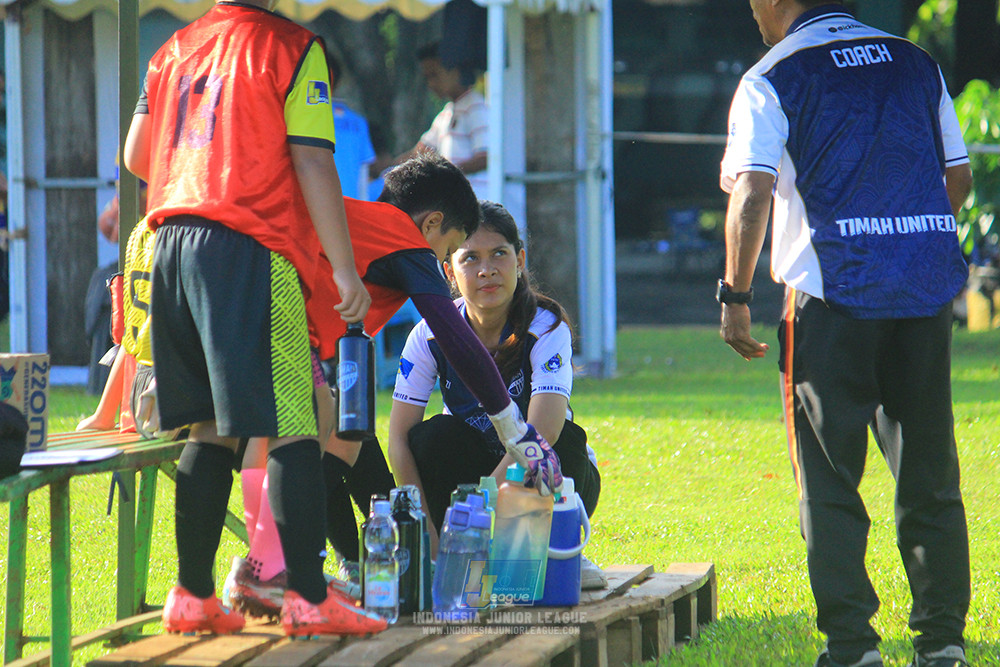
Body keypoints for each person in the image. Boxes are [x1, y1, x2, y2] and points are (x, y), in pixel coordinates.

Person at [718, 3, 973, 667]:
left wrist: (735, 296)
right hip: (922, 292)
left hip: (829, 298)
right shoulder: (914, 62)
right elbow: (958, 176)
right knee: (930, 470)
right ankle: (943, 641)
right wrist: (905, 244)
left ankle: (853, 646)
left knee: (829, 476)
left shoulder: (772, 74)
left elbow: (751, 191)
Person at [123, 0, 384, 637]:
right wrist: (344, 270)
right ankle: (307, 599)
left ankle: (191, 595)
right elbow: (313, 160)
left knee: (209, 427)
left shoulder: (173, 49)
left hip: (171, 245)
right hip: (250, 245)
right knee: (294, 423)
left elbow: (136, 155)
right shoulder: (293, 47)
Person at [225, 153, 564, 617]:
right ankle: (268, 568)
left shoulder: (365, 228)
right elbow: (455, 337)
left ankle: (277, 566)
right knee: (307, 424)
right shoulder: (403, 240)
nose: (440, 264)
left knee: (342, 432)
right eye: (450, 251)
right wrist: (513, 428)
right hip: (272, 327)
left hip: (253, 314)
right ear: (433, 224)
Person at [388, 200, 606, 586]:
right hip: (472, 471)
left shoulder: (546, 326)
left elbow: (545, 431)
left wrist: (479, 508)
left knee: (560, 444)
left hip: (539, 471)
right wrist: (427, 536)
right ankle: (459, 556)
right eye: (470, 258)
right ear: (449, 272)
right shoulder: (428, 334)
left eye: (499, 254)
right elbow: (398, 442)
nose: (486, 270)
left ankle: (557, 548)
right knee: (430, 437)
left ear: (520, 260)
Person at [370, 42, 489, 199]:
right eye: (427, 78)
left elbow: (486, 158)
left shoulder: (476, 106)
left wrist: (443, 173)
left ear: (455, 70)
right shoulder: (445, 114)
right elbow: (419, 152)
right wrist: (389, 171)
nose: (431, 84)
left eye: (434, 75)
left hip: (479, 201)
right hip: (458, 201)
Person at [327, 53, 376, 201]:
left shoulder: (304, 118)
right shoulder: (359, 122)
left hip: (317, 206)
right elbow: (363, 175)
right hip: (350, 207)